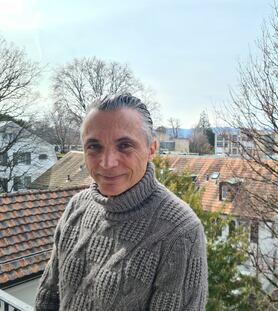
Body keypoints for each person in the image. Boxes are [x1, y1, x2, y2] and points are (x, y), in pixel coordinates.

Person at [35, 94, 208, 310]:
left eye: (125, 145)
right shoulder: (76, 208)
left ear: (151, 149)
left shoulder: (180, 232)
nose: (107, 162)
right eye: (94, 147)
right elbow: (48, 297)